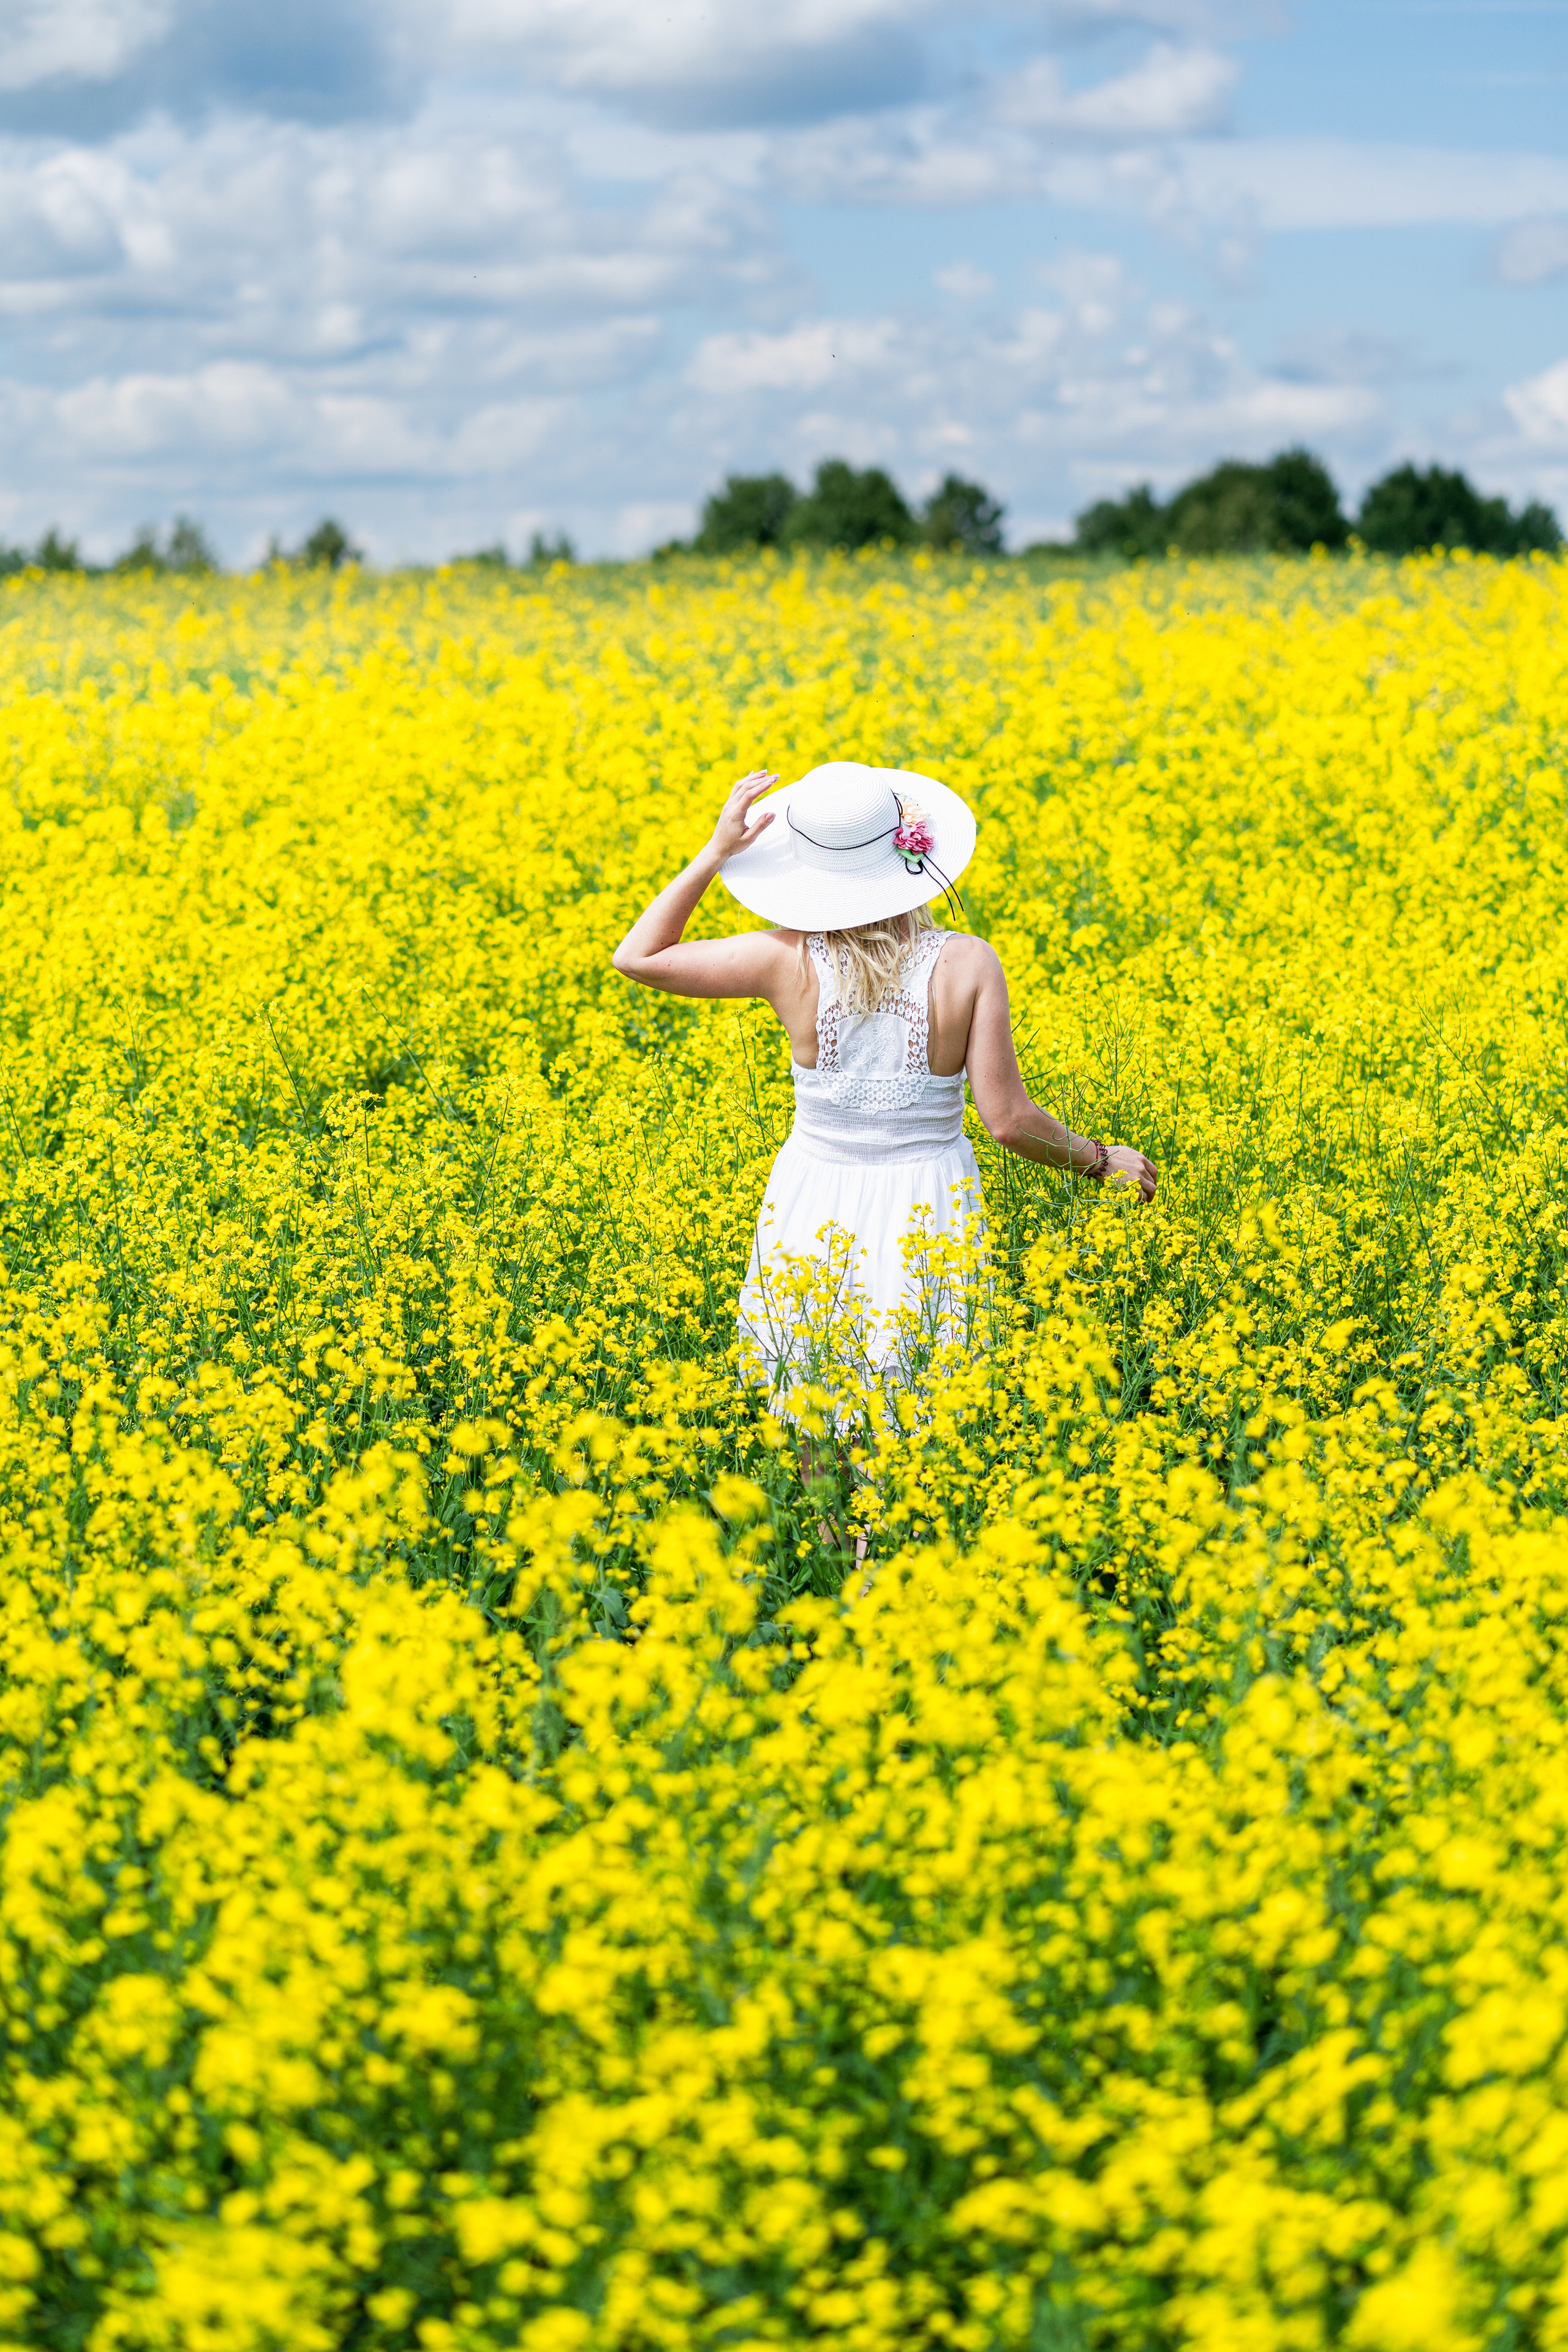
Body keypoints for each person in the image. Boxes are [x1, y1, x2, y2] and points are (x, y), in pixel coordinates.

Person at [611, 760, 1158, 1522]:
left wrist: (714, 853)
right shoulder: (965, 962)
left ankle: (835, 1558)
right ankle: (882, 1571)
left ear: (806, 871)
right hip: (923, 1197)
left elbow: (636, 957)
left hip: (815, 1192)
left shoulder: (782, 958)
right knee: (906, 1403)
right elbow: (1007, 1120)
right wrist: (1100, 1160)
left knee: (814, 1395)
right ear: (910, 854)